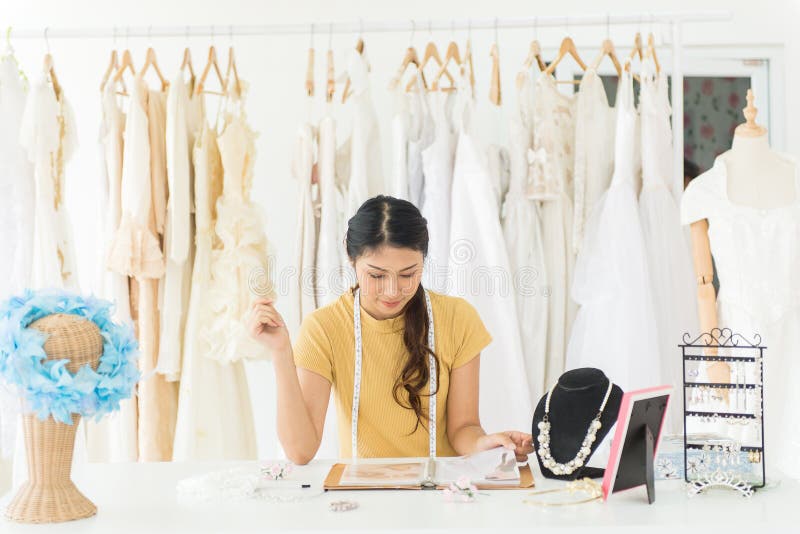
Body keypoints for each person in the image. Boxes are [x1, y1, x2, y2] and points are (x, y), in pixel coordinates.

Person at [248, 195, 534, 464]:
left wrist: (486, 443)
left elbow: (463, 429)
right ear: (352, 260)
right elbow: (301, 452)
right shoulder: (324, 328)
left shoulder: (458, 319)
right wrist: (281, 352)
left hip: (438, 495)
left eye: (409, 274)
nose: (393, 290)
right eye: (376, 275)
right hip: (365, 500)